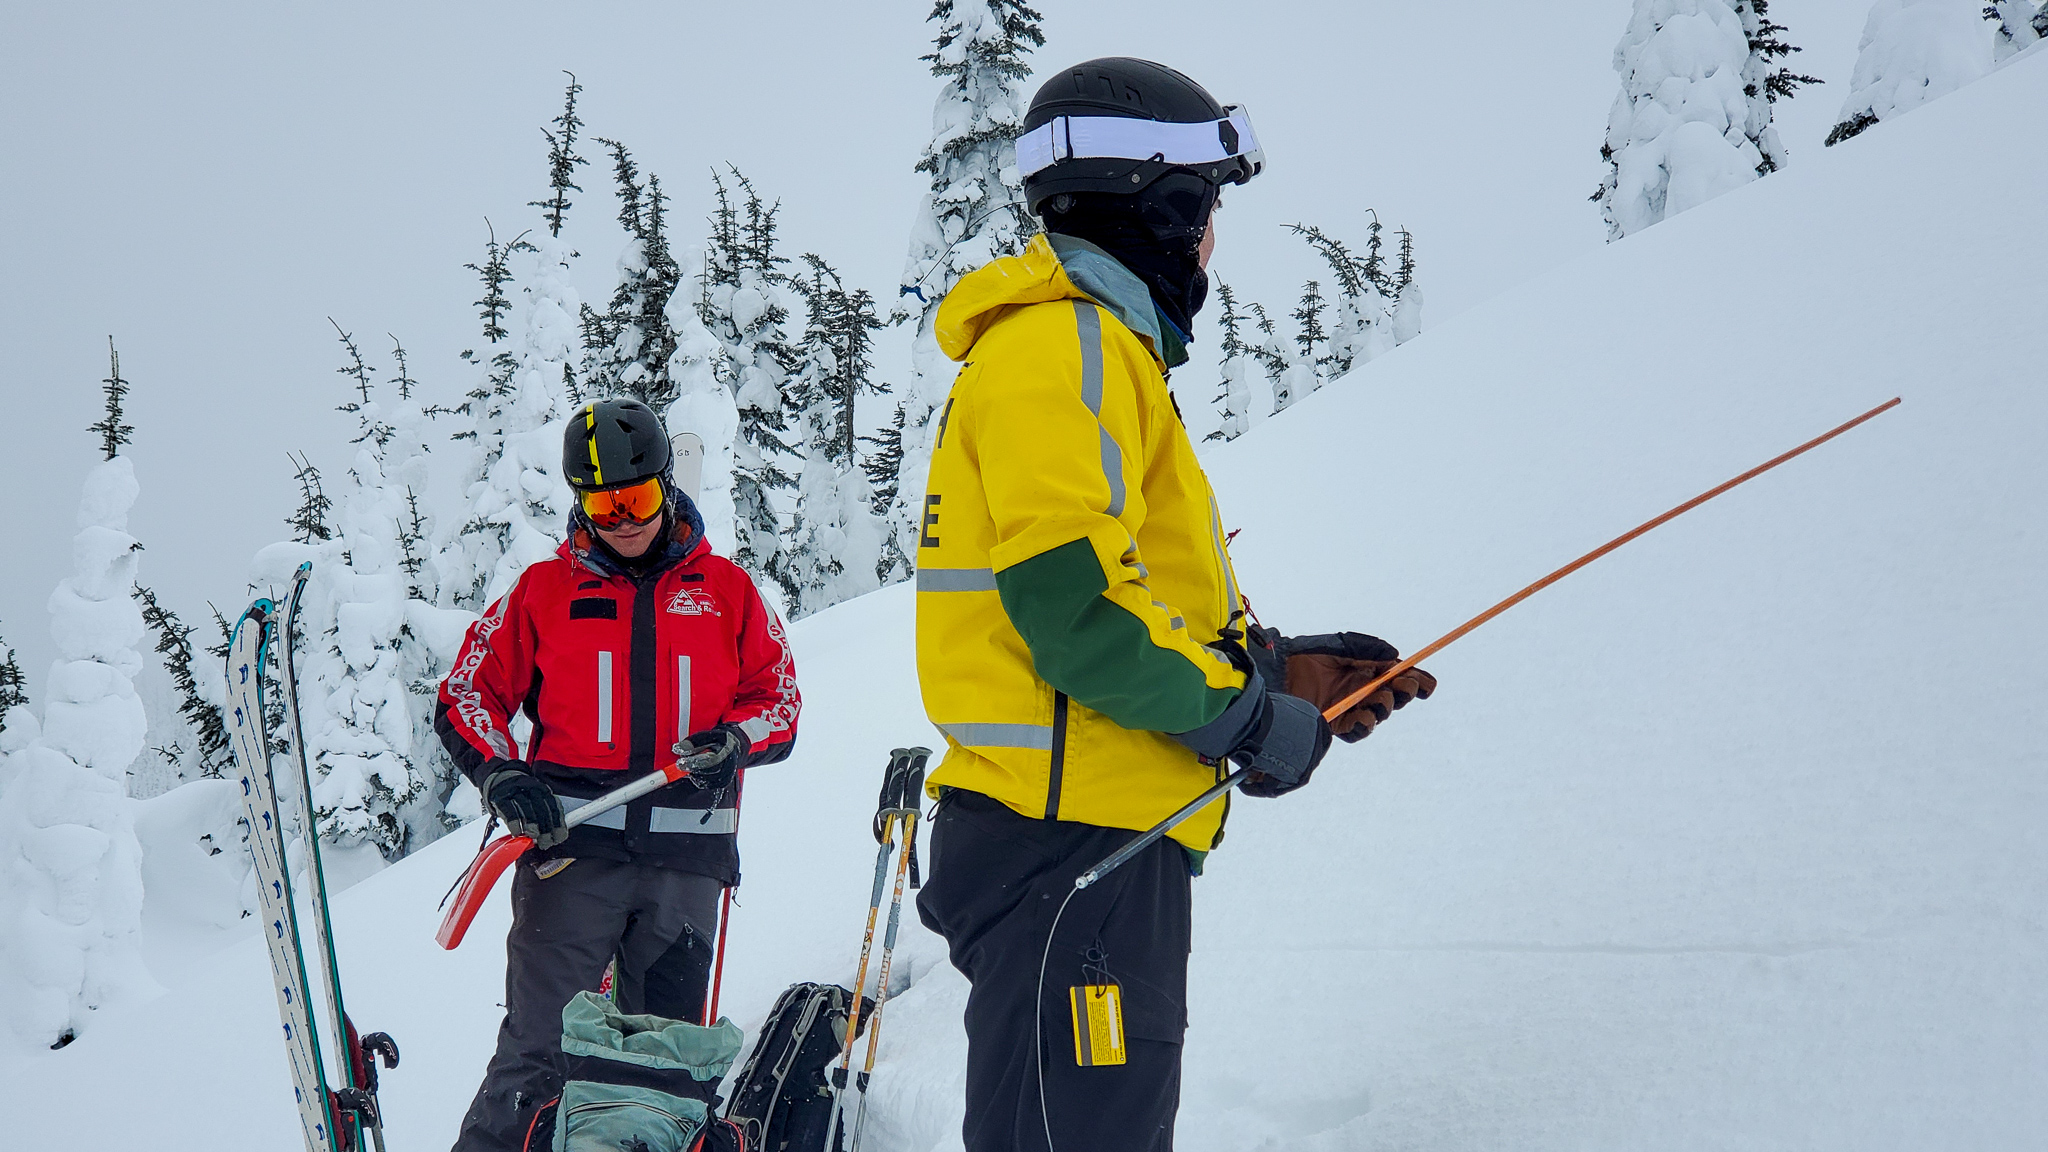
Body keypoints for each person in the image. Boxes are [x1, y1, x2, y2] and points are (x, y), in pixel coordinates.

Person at [912, 58, 1436, 1151]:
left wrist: (1268, 669)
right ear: (1155, 203)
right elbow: (1077, 616)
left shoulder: (1096, 360)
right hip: (1070, 853)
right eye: (1203, 212)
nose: (1206, 246)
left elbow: (1124, 600)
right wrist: (1248, 725)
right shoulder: (1064, 350)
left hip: (1090, 843)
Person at [437, 398, 800, 1152]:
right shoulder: (543, 592)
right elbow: (467, 691)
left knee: (662, 1064)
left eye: (636, 499)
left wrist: (736, 741)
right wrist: (503, 774)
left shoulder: (726, 593)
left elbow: (782, 701)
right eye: (603, 505)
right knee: (539, 1055)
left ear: (667, 487)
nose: (623, 520)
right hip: (573, 863)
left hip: (685, 869)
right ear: (580, 504)